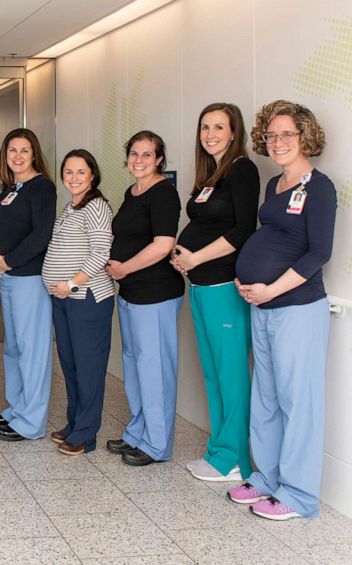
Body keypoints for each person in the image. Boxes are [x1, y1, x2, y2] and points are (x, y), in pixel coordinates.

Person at [229, 100, 336, 521]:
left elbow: (318, 253)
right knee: (267, 398)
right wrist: (249, 282)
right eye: (271, 135)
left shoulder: (320, 186)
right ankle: (267, 479)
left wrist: (271, 287)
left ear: (305, 136)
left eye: (287, 134)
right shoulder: (275, 185)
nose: (278, 142)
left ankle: (299, 495)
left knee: (298, 402)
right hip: (263, 306)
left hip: (297, 307)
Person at [172, 104, 259, 482]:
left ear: (234, 131)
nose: (210, 134)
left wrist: (195, 258)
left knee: (232, 375)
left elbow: (242, 230)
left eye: (219, 127)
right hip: (203, 287)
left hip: (224, 286)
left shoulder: (242, 169)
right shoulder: (212, 175)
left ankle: (236, 457)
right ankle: (219, 450)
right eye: (205, 127)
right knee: (212, 373)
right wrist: (186, 259)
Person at [105, 130, 184, 466]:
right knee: (135, 366)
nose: (139, 160)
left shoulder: (164, 194)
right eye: (134, 154)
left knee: (155, 370)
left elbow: (163, 244)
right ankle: (138, 432)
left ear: (159, 159)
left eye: (147, 155)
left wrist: (124, 269)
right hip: (132, 295)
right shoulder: (133, 191)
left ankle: (156, 444)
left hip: (156, 293)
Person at [42, 150, 114, 455]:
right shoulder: (71, 207)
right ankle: (75, 423)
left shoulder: (96, 206)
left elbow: (101, 252)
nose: (73, 178)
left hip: (87, 298)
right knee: (70, 365)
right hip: (64, 299)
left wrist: (71, 283)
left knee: (88, 367)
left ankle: (86, 434)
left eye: (80, 172)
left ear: (92, 175)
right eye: (68, 172)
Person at [0, 128, 56, 442]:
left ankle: (32, 422)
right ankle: (17, 409)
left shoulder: (41, 187)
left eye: (24, 150)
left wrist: (9, 260)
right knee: (13, 349)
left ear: (34, 153)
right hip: (9, 278)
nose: (17, 156)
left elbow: (42, 235)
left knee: (32, 350)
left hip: (28, 278)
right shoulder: (12, 188)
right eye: (12, 150)